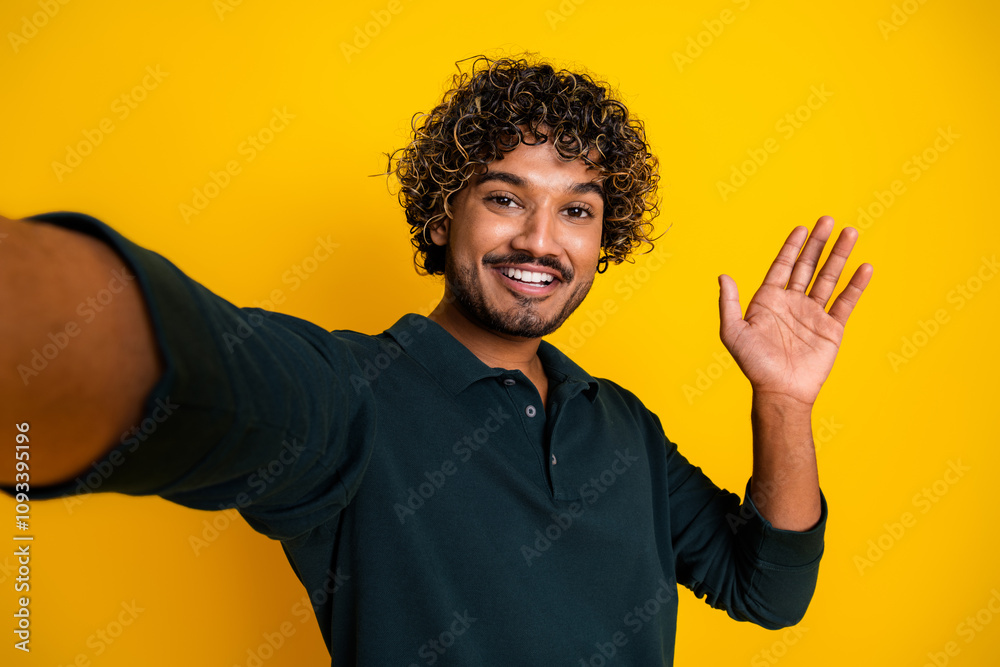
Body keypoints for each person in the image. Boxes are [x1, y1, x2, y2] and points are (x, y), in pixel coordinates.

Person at [1, 55, 872, 665]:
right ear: (441, 211)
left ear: (606, 238)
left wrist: (782, 401)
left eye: (577, 210)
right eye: (504, 198)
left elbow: (769, 591)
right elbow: (210, 373)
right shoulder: (351, 396)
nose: (540, 239)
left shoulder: (623, 427)